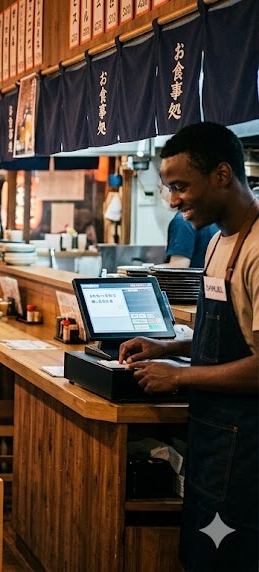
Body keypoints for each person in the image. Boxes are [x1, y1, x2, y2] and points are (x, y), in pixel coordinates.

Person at [118, 122, 258, 571]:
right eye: (169, 188)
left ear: (221, 175)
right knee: (199, 554)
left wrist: (179, 375)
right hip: (212, 433)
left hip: (246, 442)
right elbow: (226, 333)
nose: (174, 201)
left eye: (181, 186)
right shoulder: (218, 240)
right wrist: (166, 346)